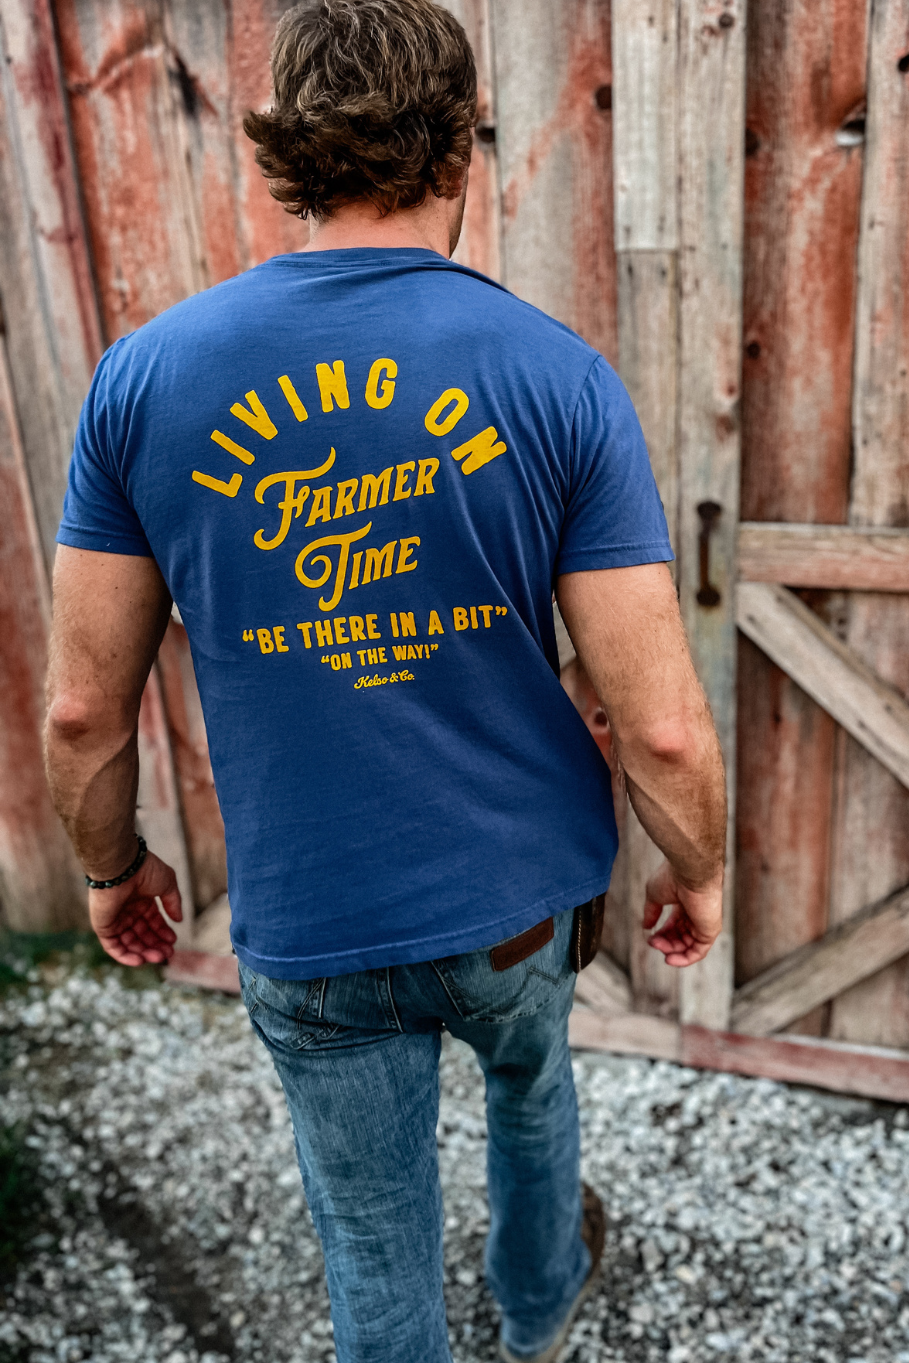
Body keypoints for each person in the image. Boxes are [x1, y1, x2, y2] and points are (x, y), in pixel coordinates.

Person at [44, 1, 727, 1359]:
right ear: (459, 153)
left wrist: (111, 865)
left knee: (371, 1240)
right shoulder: (559, 379)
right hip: (519, 904)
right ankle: (538, 1305)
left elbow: (80, 709)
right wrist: (696, 867)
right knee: (532, 1093)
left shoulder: (143, 381)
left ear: (287, 154)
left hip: (313, 919)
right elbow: (659, 725)